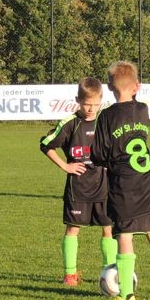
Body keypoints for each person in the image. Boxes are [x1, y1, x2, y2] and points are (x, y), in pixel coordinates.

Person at [92, 60, 150, 300]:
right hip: (147, 179)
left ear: (108, 86)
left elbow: (99, 153)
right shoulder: (143, 110)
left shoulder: (107, 115)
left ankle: (126, 296)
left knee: (124, 235)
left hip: (124, 182)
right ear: (137, 86)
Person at [40, 77, 117, 286]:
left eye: (95, 104)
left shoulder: (106, 121)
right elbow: (46, 144)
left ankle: (111, 272)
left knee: (108, 229)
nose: (91, 109)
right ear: (78, 100)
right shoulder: (70, 123)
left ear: (101, 100)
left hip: (104, 186)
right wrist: (65, 166)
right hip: (78, 188)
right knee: (73, 229)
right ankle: (70, 274)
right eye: (86, 104)